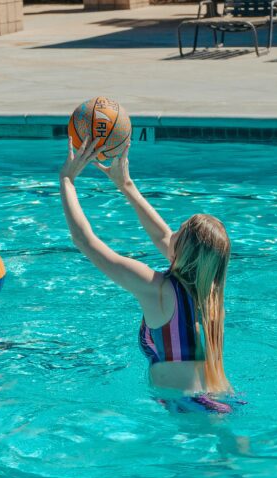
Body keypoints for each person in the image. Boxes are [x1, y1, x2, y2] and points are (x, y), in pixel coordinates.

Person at [58, 138, 239, 413]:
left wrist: (67, 179)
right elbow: (162, 236)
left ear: (185, 251)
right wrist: (125, 185)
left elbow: (85, 241)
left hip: (188, 408)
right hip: (221, 401)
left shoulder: (158, 290)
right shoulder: (210, 292)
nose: (171, 234)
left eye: (178, 230)